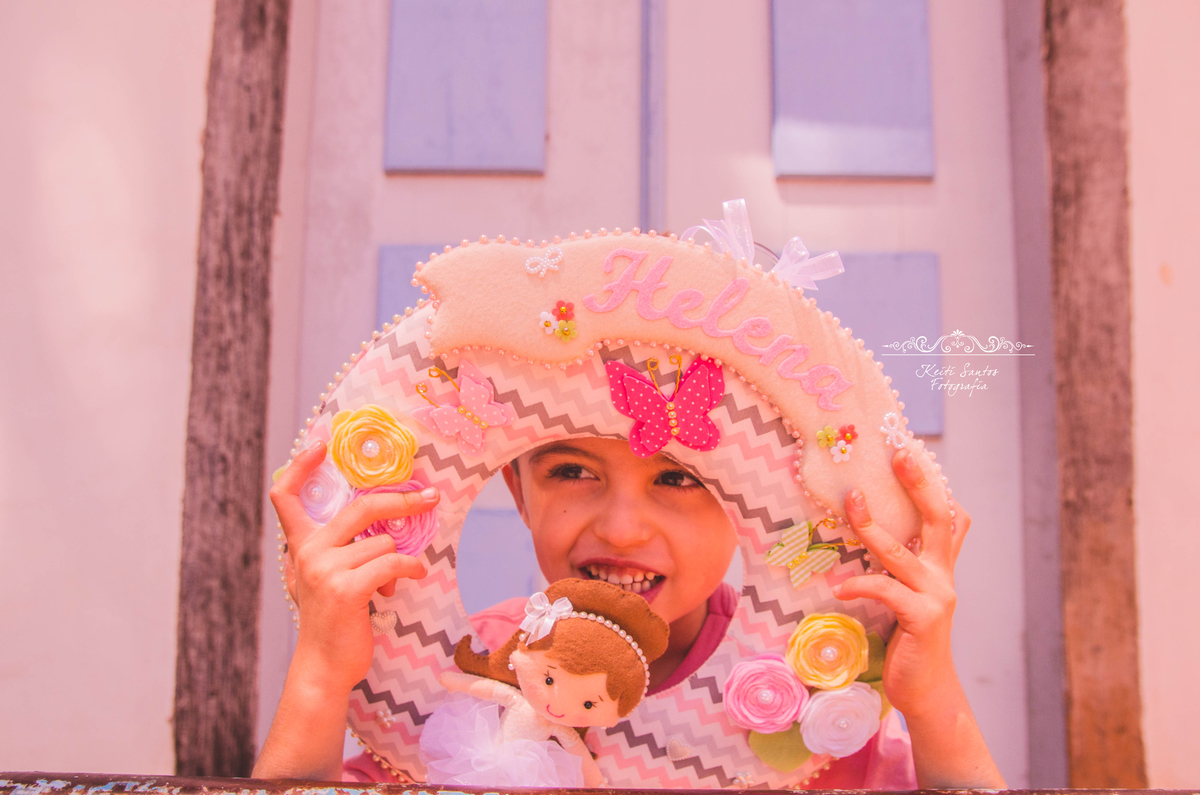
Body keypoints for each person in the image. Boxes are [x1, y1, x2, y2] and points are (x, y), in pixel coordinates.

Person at [254, 435, 1006, 788]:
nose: (620, 529)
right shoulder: (463, 674)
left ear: (753, 509)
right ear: (518, 492)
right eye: (572, 470)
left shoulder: (814, 694)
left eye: (678, 478)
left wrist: (931, 696)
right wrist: (319, 673)